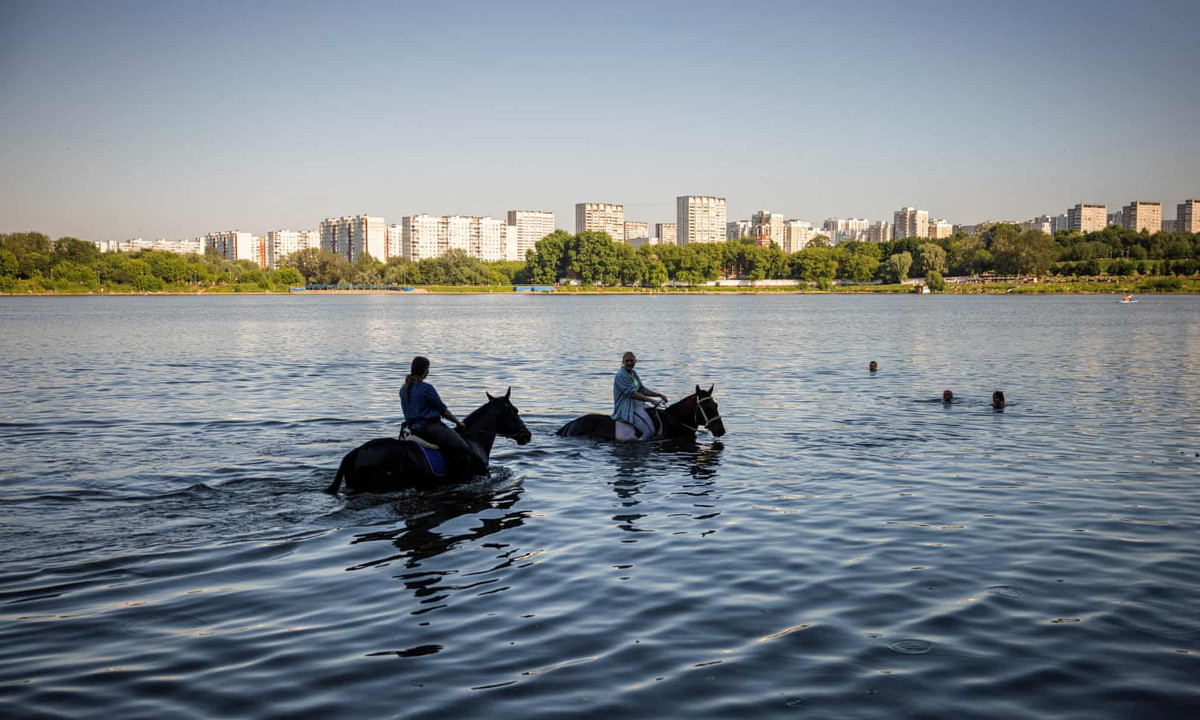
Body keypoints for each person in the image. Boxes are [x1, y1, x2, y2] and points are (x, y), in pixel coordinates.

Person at [399, 356, 482, 473]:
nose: (428, 372)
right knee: (464, 449)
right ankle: (458, 481)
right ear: (424, 371)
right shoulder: (426, 388)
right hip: (429, 427)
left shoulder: (403, 388)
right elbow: (444, 411)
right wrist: (459, 423)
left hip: (410, 428)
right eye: (428, 369)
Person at [612, 351, 669, 439]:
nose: (629, 363)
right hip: (627, 406)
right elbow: (632, 393)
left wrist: (659, 395)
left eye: (631, 361)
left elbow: (642, 390)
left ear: (635, 361)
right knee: (649, 431)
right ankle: (640, 447)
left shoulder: (633, 373)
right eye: (627, 361)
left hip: (638, 403)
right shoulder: (622, 376)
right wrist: (651, 400)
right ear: (623, 362)